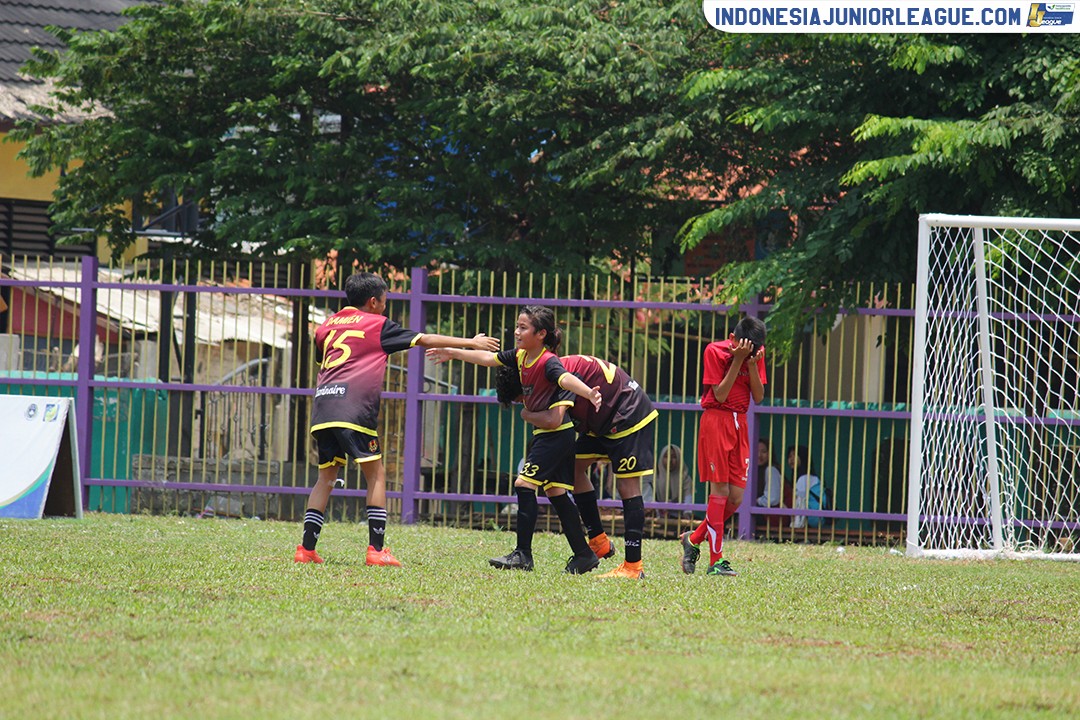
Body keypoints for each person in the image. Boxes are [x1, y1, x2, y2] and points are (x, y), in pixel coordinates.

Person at [294, 271, 500, 566]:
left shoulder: (325, 326)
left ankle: (306, 549)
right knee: (375, 474)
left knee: (326, 477)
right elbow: (424, 338)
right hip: (354, 408)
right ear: (374, 301)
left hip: (323, 408)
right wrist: (471, 342)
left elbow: (324, 362)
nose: (386, 305)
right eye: (386, 299)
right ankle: (376, 551)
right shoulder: (377, 324)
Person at [427, 305, 604, 574]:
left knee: (524, 484)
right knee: (556, 492)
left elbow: (566, 379)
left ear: (541, 333)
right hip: (550, 435)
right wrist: (452, 352)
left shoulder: (547, 361)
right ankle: (583, 554)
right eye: (516, 326)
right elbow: (488, 359)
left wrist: (589, 393)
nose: (516, 332)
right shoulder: (522, 356)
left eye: (523, 328)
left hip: (555, 436)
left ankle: (523, 554)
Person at [496, 353, 659, 580]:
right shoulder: (544, 372)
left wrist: (527, 414)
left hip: (627, 413)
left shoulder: (558, 377)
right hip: (599, 421)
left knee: (627, 486)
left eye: (521, 399)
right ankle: (598, 542)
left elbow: (554, 419)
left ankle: (633, 566)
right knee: (574, 469)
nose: (525, 403)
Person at [680, 316, 767, 577]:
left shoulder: (756, 354)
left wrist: (751, 364)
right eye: (746, 347)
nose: (751, 352)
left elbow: (759, 397)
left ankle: (693, 538)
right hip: (717, 420)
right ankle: (715, 561)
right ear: (733, 338)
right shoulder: (714, 351)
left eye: (755, 349)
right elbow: (719, 393)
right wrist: (738, 360)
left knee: (736, 498)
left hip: (740, 422)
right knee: (719, 490)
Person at [646, 444, 694, 518]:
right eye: (666, 456)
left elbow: (688, 502)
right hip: (658, 517)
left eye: (674, 457)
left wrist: (687, 514)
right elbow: (650, 500)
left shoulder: (685, 479)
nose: (670, 460)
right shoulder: (655, 477)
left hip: (679, 518)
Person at [789, 445, 826, 529]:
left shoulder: (803, 478)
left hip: (810, 519)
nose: (791, 459)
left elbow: (799, 504)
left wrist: (796, 525)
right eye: (790, 456)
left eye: (795, 455)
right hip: (817, 518)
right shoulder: (812, 477)